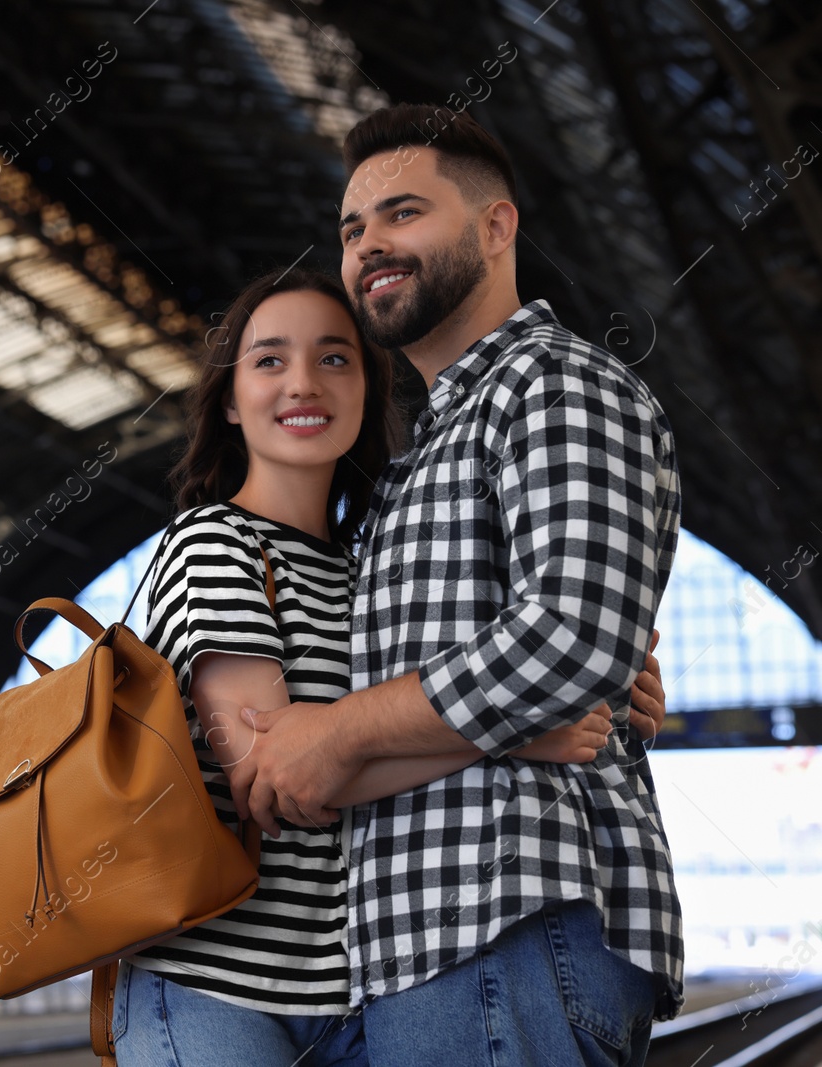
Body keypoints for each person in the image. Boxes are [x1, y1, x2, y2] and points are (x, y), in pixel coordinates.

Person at [108, 267, 666, 1067]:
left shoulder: (374, 568)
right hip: (214, 983)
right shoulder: (216, 542)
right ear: (230, 399)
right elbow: (274, 778)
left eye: (336, 358)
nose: (304, 381)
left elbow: (478, 677)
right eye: (269, 360)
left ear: (369, 388)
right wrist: (510, 733)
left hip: (356, 990)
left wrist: (608, 682)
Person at [234, 104, 682, 1067]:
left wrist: (342, 731)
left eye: (402, 214)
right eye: (352, 230)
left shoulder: (554, 386)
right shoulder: (424, 449)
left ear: (495, 226)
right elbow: (573, 647)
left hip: (504, 922)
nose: (368, 247)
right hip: (430, 946)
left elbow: (568, 635)